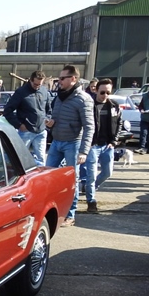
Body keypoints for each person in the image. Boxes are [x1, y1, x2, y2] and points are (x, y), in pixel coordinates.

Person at [45, 65, 94, 227]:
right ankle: (51, 210)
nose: (59, 81)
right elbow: (56, 115)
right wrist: (51, 122)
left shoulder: (83, 99)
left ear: (73, 79)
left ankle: (70, 215)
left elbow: (89, 127)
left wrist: (83, 151)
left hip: (73, 143)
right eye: (59, 78)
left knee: (72, 179)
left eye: (62, 78)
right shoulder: (60, 96)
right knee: (48, 176)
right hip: (56, 141)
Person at [82, 78, 121, 214]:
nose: (105, 95)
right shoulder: (89, 105)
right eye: (102, 92)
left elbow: (119, 123)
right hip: (92, 145)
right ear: (96, 90)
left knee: (107, 173)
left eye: (108, 93)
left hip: (107, 145)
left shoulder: (114, 106)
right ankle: (91, 201)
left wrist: (114, 141)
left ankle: (90, 187)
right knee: (91, 175)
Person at [3, 70, 51, 164]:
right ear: (30, 80)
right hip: (26, 131)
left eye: (39, 85)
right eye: (35, 84)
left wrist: (47, 119)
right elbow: (7, 111)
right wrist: (19, 125)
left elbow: (48, 108)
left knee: (41, 160)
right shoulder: (21, 92)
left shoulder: (44, 91)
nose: (37, 87)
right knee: (17, 158)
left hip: (41, 131)